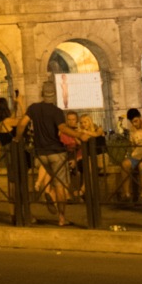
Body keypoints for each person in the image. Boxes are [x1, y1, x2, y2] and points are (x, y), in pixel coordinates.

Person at [15, 76, 84, 226]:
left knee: (47, 175)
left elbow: (21, 124)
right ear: (55, 94)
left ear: (41, 93)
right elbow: (62, 128)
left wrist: (17, 138)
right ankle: (61, 218)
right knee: (60, 185)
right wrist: (78, 134)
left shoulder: (33, 108)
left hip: (41, 153)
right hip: (56, 152)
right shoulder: (56, 111)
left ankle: (47, 192)